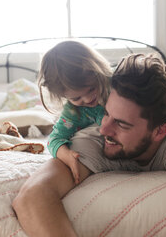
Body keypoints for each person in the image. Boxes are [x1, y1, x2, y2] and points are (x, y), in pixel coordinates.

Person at [12, 53, 166, 237]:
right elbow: (32, 197)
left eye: (121, 123)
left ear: (160, 131)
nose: (105, 129)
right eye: (106, 113)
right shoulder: (93, 139)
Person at [37, 40, 112, 184]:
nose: (88, 98)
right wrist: (65, 154)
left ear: (99, 73)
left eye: (91, 89)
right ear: (63, 97)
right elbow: (54, 139)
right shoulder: (73, 112)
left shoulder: (115, 83)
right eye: (76, 97)